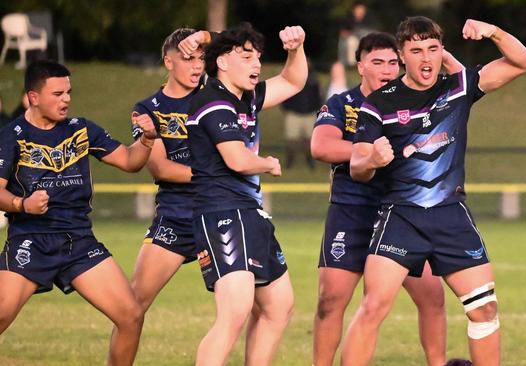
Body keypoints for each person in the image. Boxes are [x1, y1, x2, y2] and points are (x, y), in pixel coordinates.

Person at [342, 16, 526, 365]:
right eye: (416, 50)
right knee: (373, 308)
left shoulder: (457, 87)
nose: (426, 58)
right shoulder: (379, 104)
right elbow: (356, 167)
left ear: (442, 52)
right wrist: (371, 157)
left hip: (450, 216)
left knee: (484, 309)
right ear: (401, 55)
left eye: (433, 49)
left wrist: (493, 31)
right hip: (401, 216)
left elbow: (522, 62)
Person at [312, 32, 464, 366]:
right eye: (377, 62)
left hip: (401, 213)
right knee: (331, 299)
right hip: (352, 211)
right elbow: (321, 146)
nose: (386, 69)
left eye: (393, 62)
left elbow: (460, 83)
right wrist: (366, 153)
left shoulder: (415, 99)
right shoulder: (343, 104)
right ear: (360, 65)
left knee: (432, 297)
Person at [0, 60, 157, 365]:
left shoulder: (81, 129)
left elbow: (129, 161)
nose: (67, 99)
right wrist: (23, 205)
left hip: (78, 241)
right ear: (33, 98)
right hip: (32, 239)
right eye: (58, 93)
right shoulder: (12, 135)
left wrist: (147, 139)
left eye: (69, 92)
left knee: (131, 316)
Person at [183, 23, 307, 365]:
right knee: (235, 312)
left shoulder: (246, 98)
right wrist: (267, 163)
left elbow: (294, 82)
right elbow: (236, 159)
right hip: (222, 213)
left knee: (278, 307)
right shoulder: (213, 102)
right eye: (246, 56)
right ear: (222, 62)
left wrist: (295, 49)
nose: (256, 65)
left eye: (258, 57)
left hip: (249, 213)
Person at [117, 28, 207, 344]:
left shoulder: (215, 93)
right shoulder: (147, 109)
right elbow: (161, 168)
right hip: (177, 215)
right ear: (168, 62)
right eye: (187, 59)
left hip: (222, 210)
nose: (197, 66)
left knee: (263, 305)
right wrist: (215, 175)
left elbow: (238, 45)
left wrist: (205, 35)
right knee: (131, 308)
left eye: (200, 58)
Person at [282, 61, 321, 170]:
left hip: (310, 114)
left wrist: (317, 111)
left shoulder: (314, 81)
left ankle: (310, 161)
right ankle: (289, 161)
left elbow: (318, 97)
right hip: (294, 114)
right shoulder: (292, 79)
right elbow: (285, 95)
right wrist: (286, 109)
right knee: (291, 140)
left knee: (309, 141)